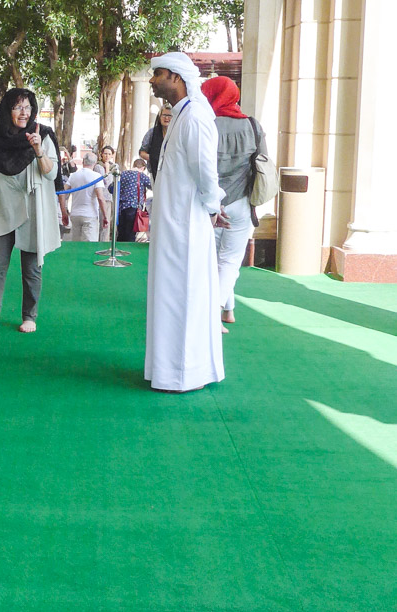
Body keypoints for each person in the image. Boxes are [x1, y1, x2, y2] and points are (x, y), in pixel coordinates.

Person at [144, 52, 229, 393]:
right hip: (172, 224)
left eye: (158, 74)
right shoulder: (179, 115)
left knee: (183, 295)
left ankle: (184, 373)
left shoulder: (194, 116)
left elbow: (206, 173)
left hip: (186, 225)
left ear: (176, 78)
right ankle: (168, 370)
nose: (152, 80)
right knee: (169, 295)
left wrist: (211, 208)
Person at [0, 88, 62, 334]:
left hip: (33, 209)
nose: (24, 112)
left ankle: (29, 316)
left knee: (31, 269)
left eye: (28, 107)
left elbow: (51, 173)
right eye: (18, 107)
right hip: (3, 206)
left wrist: (38, 149)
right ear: (7, 110)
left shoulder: (42, 134)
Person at [202, 76, 266, 330]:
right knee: (229, 260)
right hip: (241, 201)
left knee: (213, 259)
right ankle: (225, 309)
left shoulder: (205, 124)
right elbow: (263, 160)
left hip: (210, 203)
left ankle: (215, 311)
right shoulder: (251, 125)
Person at [65, 151, 109, 243]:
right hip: (90, 214)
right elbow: (100, 198)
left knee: (76, 243)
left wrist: (63, 211)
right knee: (89, 245)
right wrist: (105, 216)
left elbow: (62, 193)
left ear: (83, 162)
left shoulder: (73, 176)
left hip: (75, 214)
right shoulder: (97, 176)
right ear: (95, 163)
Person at [116, 158, 151, 243]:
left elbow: (111, 188)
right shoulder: (141, 176)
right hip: (134, 207)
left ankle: (118, 251)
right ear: (143, 168)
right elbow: (153, 186)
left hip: (121, 208)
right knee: (130, 234)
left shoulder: (123, 174)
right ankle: (128, 252)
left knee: (121, 234)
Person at [140, 104, 173, 179]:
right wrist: (155, 158)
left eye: (169, 115)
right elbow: (142, 152)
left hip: (173, 173)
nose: (166, 118)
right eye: (164, 115)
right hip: (155, 172)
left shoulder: (177, 133)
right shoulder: (152, 132)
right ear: (160, 116)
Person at [98, 146, 119, 243]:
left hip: (110, 198)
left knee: (108, 223)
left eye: (109, 154)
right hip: (102, 197)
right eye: (105, 153)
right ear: (101, 154)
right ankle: (102, 243)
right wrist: (106, 169)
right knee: (103, 222)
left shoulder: (114, 166)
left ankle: (106, 242)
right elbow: (106, 182)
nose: (107, 156)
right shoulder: (98, 166)